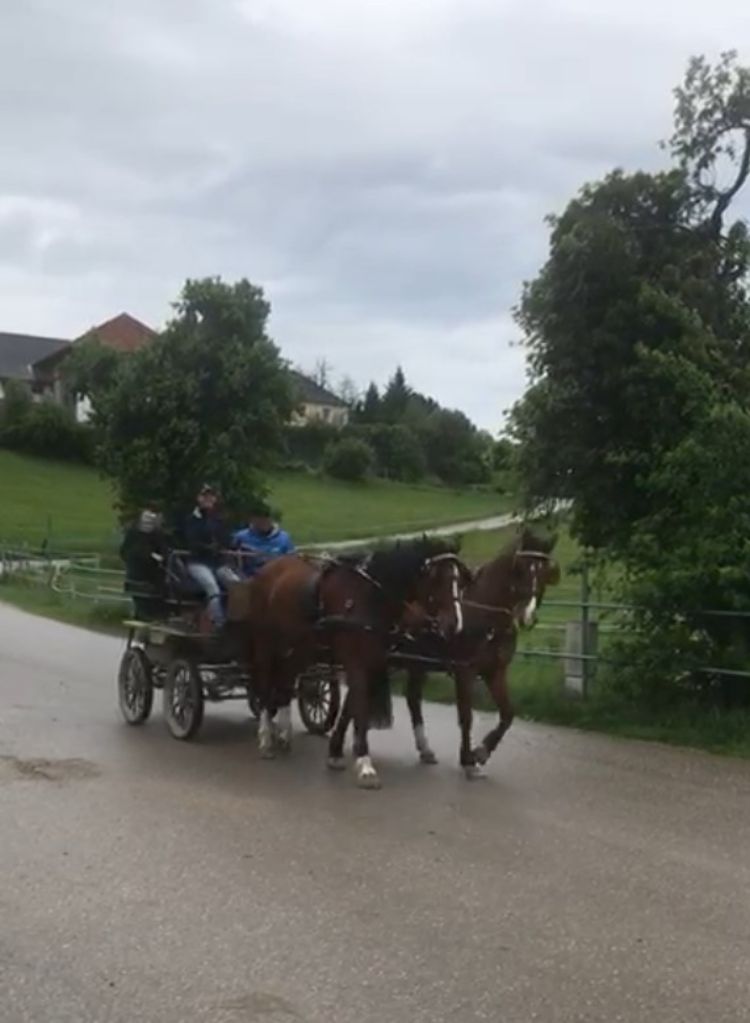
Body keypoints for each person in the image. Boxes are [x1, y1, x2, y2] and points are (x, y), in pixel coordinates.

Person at [183, 484, 239, 628]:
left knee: (237, 584)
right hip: (198, 562)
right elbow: (192, 541)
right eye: (204, 496)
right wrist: (208, 547)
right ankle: (218, 623)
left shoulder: (220, 519)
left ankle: (239, 619)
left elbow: (226, 539)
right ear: (198, 498)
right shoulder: (192, 519)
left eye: (211, 496)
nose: (208, 499)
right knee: (212, 587)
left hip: (218, 562)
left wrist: (227, 545)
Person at [119, 507, 169, 619]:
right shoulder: (133, 534)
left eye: (151, 521)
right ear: (141, 519)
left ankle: (154, 615)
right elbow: (125, 552)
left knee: (164, 588)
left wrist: (160, 558)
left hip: (154, 575)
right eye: (146, 519)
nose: (148, 523)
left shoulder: (157, 535)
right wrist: (150, 555)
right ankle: (145, 616)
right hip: (137, 575)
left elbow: (164, 552)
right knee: (144, 595)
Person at [232, 498, 295, 578]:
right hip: (251, 580)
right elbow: (232, 564)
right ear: (252, 518)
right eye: (259, 516)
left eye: (266, 516)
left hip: (277, 581)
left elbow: (292, 563)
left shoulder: (284, 538)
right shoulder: (241, 537)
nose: (263, 520)